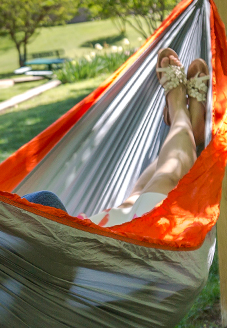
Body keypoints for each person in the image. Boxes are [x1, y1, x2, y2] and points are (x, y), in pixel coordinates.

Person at [23, 47, 209, 227]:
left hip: (96, 233)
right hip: (125, 245)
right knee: (166, 179)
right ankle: (177, 107)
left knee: (135, 197)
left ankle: (190, 132)